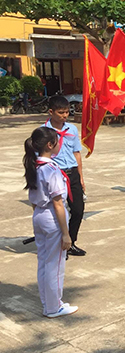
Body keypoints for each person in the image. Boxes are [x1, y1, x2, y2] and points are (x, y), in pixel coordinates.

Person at [23, 126, 78, 318]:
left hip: (39, 215)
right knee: (55, 266)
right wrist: (65, 233)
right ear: (50, 145)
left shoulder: (34, 166)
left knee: (44, 263)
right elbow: (58, 204)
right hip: (52, 218)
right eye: (57, 141)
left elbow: (32, 199)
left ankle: (49, 303)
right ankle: (54, 307)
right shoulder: (51, 169)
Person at [44, 95, 86, 257]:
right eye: (61, 112)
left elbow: (77, 153)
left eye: (67, 112)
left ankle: (70, 242)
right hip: (54, 175)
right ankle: (57, 246)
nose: (64, 116)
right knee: (57, 213)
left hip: (72, 173)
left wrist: (81, 176)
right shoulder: (44, 131)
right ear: (51, 112)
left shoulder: (72, 129)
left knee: (77, 210)